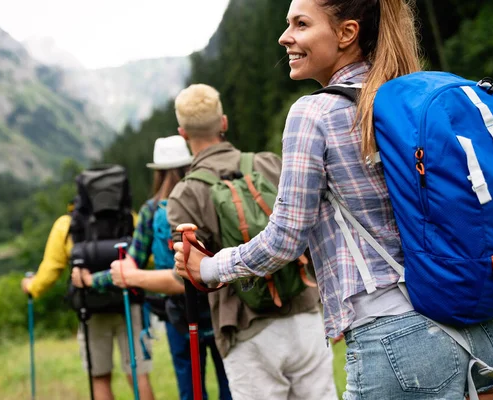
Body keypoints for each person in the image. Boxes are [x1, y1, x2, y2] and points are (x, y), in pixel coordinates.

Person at [172, 1, 493, 399]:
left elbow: (284, 240)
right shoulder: (405, 99)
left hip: (394, 334)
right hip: (482, 330)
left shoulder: (314, 113)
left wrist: (208, 267)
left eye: (301, 24)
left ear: (346, 33)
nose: (285, 36)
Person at [164, 83, 336, 400]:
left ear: (183, 133)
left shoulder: (184, 195)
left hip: (245, 328)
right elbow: (309, 232)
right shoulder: (269, 163)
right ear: (224, 123)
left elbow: (189, 272)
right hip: (306, 313)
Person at [72, 135, 233, 400]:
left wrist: (91, 281)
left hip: (177, 314)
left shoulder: (151, 209)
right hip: (217, 307)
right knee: (229, 384)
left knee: (190, 389)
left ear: (157, 171)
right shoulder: (207, 197)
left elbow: (129, 265)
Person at [21, 208, 155, 400]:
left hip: (90, 310)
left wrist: (32, 287)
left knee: (99, 378)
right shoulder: (129, 217)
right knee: (138, 374)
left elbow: (52, 268)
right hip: (128, 301)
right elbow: (147, 256)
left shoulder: (67, 224)